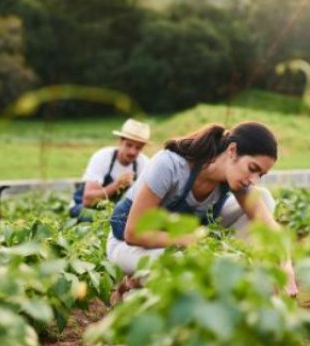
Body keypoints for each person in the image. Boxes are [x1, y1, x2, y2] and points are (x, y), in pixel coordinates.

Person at [107, 121, 298, 297]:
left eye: (260, 174)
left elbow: (269, 226)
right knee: (185, 266)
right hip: (128, 245)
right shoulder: (170, 165)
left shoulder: (237, 179)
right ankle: (132, 286)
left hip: (180, 243)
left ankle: (232, 273)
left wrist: (286, 265)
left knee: (262, 197)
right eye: (252, 168)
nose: (253, 179)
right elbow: (132, 234)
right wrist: (192, 242)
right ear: (232, 150)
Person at [69, 118, 151, 219]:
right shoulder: (102, 157)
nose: (132, 152)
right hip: (84, 207)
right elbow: (87, 200)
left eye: (138, 148)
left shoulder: (144, 164)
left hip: (114, 211)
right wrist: (117, 185)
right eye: (129, 145)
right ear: (121, 141)